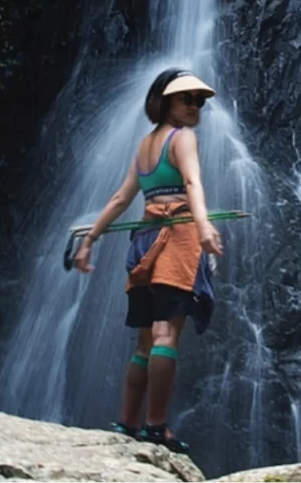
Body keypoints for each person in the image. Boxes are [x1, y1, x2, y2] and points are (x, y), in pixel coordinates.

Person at [73, 68, 224, 454]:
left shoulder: (144, 146)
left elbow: (121, 199)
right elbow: (192, 183)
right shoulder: (183, 138)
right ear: (165, 102)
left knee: (144, 343)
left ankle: (127, 422)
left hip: (143, 240)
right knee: (165, 335)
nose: (195, 107)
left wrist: (89, 240)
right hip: (176, 239)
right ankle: (156, 427)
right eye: (185, 99)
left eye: (199, 101)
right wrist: (205, 228)